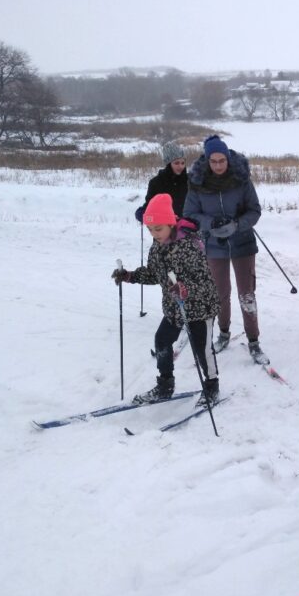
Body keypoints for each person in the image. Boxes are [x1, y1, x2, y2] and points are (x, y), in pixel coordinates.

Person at [112, 193, 221, 406]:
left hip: (201, 308)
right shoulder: (157, 245)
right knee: (162, 341)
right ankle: (165, 385)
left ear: (171, 223)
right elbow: (155, 274)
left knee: (202, 350)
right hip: (174, 308)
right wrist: (130, 276)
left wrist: (185, 288)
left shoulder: (189, 245)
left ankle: (211, 386)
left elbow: (204, 281)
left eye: (158, 229)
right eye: (150, 229)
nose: (154, 234)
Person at [183, 135, 267, 363]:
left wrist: (237, 224)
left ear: (228, 158)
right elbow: (189, 214)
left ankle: (254, 341)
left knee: (246, 294)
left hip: (243, 244)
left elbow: (255, 210)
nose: (218, 165)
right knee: (220, 294)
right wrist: (211, 224)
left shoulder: (241, 179)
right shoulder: (198, 182)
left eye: (222, 160)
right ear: (207, 160)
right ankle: (223, 333)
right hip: (213, 246)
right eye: (214, 161)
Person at [136, 141, 189, 223]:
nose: (180, 166)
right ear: (168, 164)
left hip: (187, 230)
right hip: (163, 231)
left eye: (183, 163)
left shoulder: (190, 180)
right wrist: (142, 214)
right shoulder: (156, 183)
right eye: (176, 163)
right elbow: (149, 208)